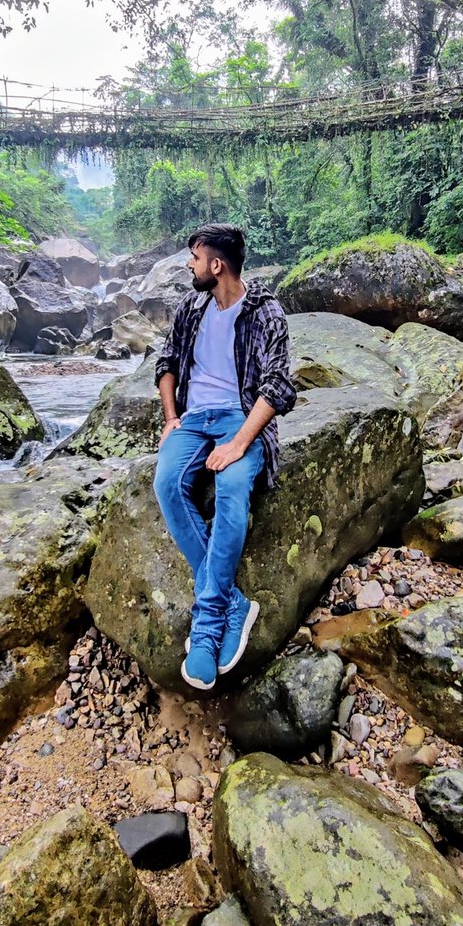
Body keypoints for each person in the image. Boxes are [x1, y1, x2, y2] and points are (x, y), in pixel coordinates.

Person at [153, 224, 296, 691]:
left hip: (242, 417)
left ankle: (208, 622)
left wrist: (238, 445)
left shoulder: (266, 312)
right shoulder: (190, 308)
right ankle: (233, 602)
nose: (189, 266)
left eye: (194, 258)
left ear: (216, 265)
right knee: (167, 484)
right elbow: (167, 361)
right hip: (193, 419)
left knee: (232, 488)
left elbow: (278, 386)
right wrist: (171, 415)